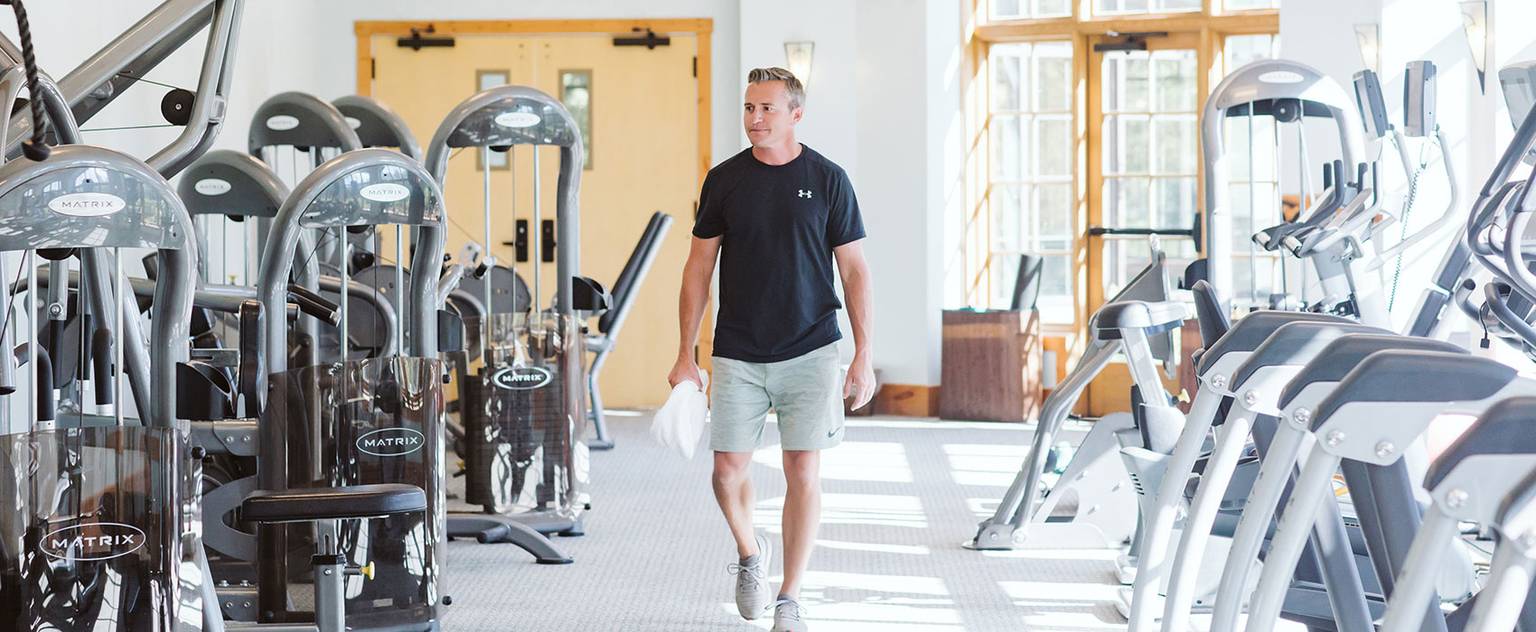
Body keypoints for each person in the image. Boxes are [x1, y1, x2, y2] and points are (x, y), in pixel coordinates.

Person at [668, 66, 875, 632]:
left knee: (802, 469)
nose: (755, 119)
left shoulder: (828, 179)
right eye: (749, 108)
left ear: (796, 115)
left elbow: (854, 270)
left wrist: (862, 354)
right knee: (726, 471)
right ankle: (749, 554)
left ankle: (791, 597)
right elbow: (697, 269)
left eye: (767, 109)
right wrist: (686, 352)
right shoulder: (725, 180)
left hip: (812, 348)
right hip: (738, 349)